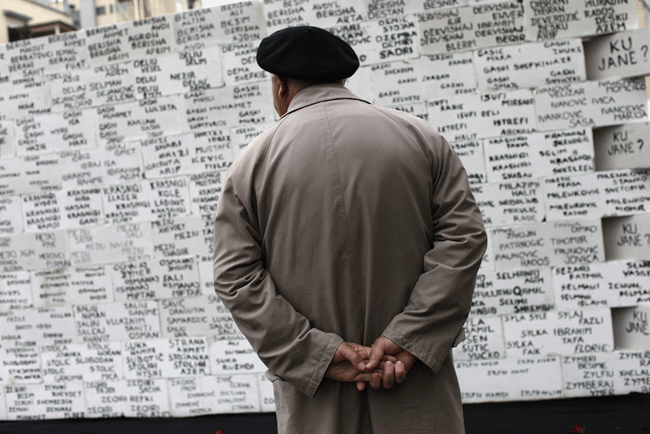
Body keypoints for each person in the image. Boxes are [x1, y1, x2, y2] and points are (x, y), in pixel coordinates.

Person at [213, 26, 487, 434]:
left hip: (319, 400)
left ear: (280, 85)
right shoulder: (422, 140)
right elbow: (464, 240)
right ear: (343, 79)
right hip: (412, 387)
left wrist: (319, 355)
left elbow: (236, 279)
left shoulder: (249, 166)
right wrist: (408, 339)